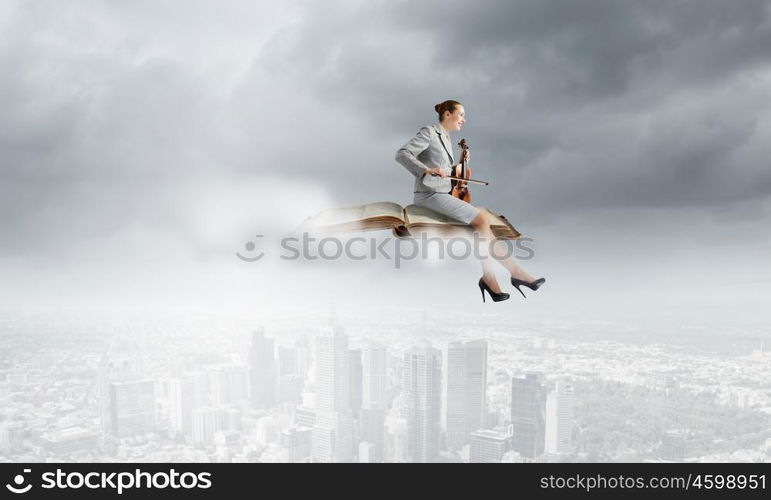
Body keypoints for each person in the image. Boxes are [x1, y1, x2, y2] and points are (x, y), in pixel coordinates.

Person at [395, 99, 545, 302]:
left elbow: (445, 171)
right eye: (461, 115)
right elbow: (402, 154)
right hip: (429, 196)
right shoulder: (430, 132)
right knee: (481, 220)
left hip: (442, 194)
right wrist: (425, 170)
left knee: (481, 227)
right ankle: (507, 274)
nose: (464, 120)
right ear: (447, 114)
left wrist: (459, 164)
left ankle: (496, 277)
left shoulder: (446, 138)